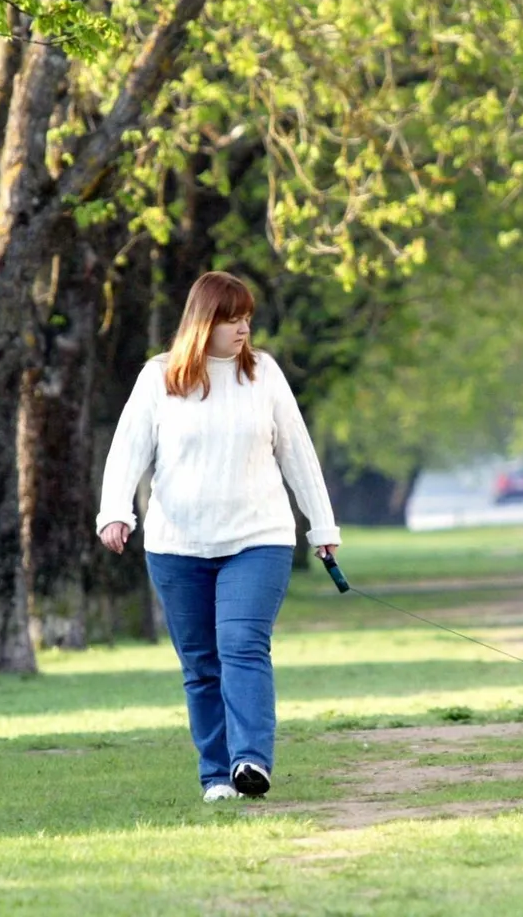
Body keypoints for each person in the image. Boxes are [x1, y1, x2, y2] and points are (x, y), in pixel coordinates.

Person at [96, 271, 340, 803]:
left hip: (260, 537)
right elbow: (127, 452)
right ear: (204, 321)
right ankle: (215, 775)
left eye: (248, 319)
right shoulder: (158, 379)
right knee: (201, 663)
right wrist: (115, 512)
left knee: (242, 645)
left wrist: (322, 526)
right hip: (176, 545)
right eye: (234, 319)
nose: (244, 329)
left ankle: (250, 759)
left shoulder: (265, 375)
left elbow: (297, 453)